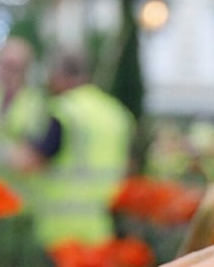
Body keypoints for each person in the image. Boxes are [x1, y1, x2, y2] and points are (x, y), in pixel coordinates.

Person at [15, 50, 135, 249]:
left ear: (59, 75)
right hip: (101, 226)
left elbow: (33, 161)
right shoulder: (115, 112)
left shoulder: (65, 110)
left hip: (61, 229)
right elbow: (130, 165)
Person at [0, 37, 49, 188]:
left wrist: (2, 152)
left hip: (23, 200)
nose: (7, 73)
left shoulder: (36, 104)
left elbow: (31, 158)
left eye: (14, 67)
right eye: (3, 65)